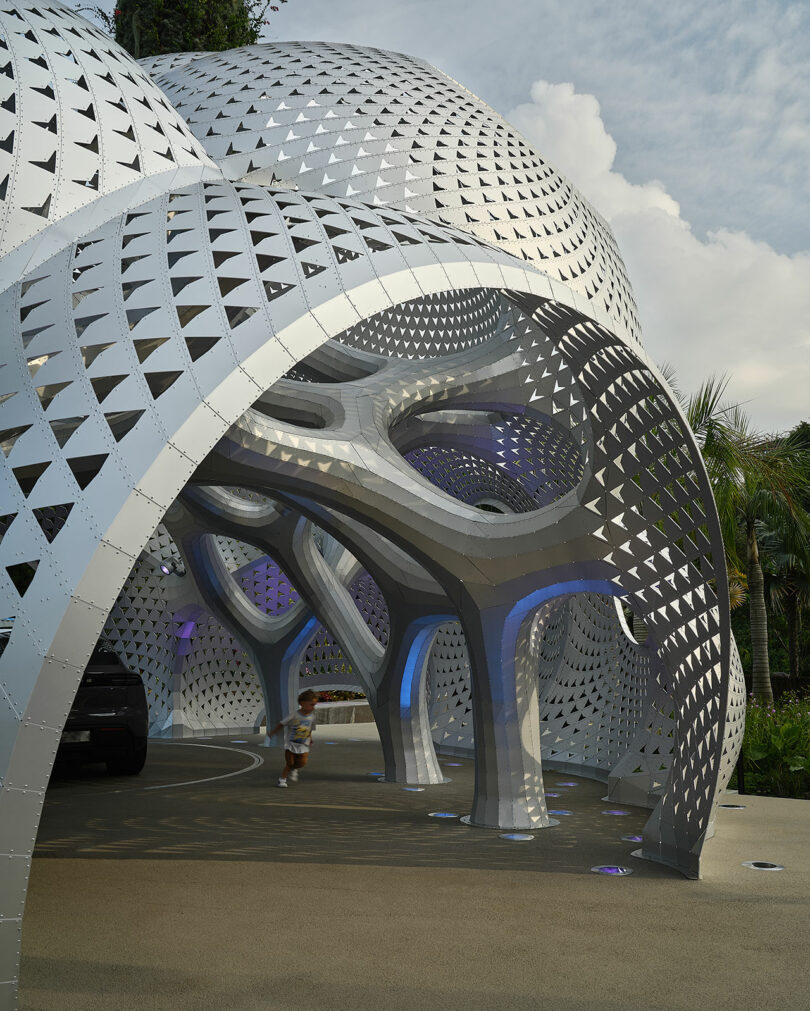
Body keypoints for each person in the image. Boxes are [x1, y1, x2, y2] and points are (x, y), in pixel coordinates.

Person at [270, 689, 318, 788]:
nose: (313, 707)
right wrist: (273, 732)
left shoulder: (312, 717)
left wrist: (311, 739)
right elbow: (282, 723)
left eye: (314, 705)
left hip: (303, 745)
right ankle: (282, 780)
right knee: (290, 763)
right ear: (302, 703)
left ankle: (294, 769)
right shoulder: (294, 715)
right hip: (291, 744)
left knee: (302, 763)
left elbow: (310, 729)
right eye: (311, 704)